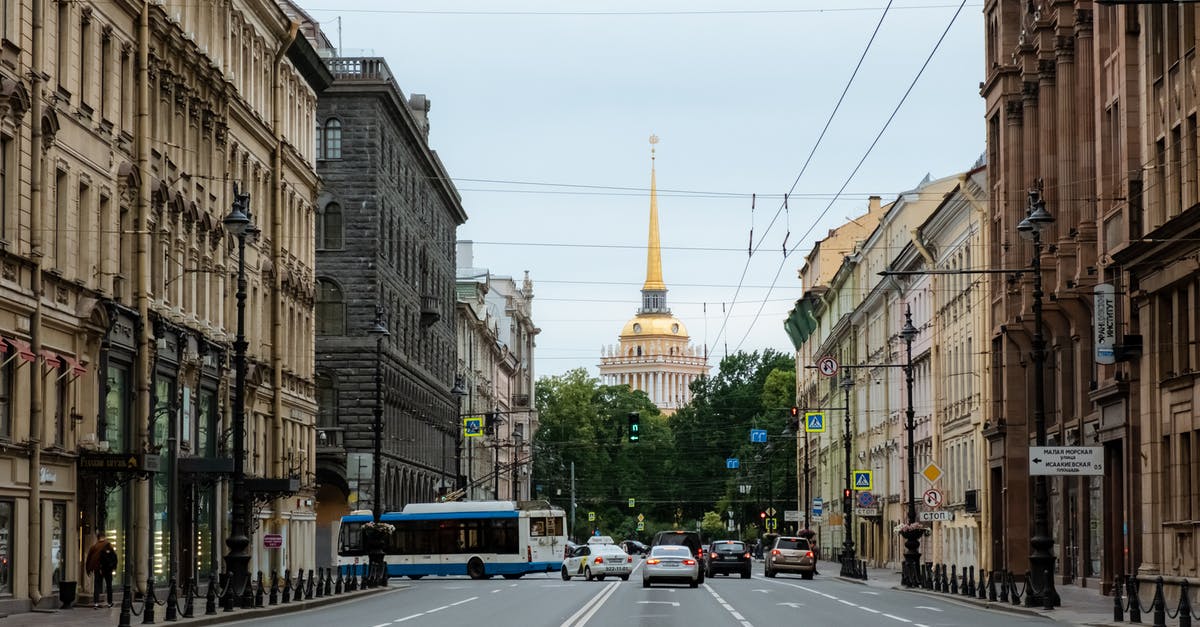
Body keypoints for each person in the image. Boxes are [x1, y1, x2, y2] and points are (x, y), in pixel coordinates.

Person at [85, 531, 117, 608]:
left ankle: (96, 602)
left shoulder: (94, 546)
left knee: (97, 585)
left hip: (97, 569)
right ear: (104, 537)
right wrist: (113, 567)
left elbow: (89, 558)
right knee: (109, 585)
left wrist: (88, 569)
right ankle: (110, 602)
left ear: (98, 538)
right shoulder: (108, 545)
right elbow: (114, 556)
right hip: (107, 569)